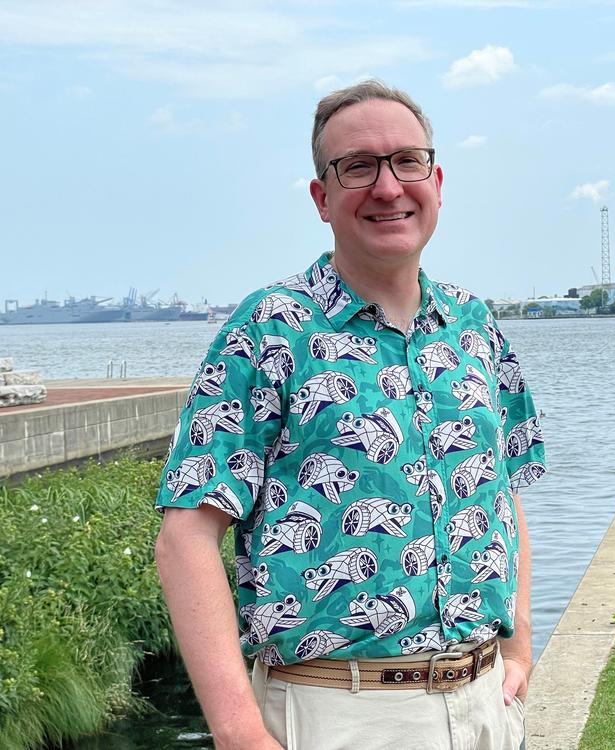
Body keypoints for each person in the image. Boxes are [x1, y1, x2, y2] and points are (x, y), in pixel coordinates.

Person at [154, 80, 546, 750]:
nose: (388, 187)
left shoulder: (474, 326)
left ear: (437, 181)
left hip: (482, 706)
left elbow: (501, 491)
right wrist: (239, 731)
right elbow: (185, 537)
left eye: (407, 162)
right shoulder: (269, 331)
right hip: (340, 712)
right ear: (322, 198)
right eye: (357, 167)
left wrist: (518, 650)